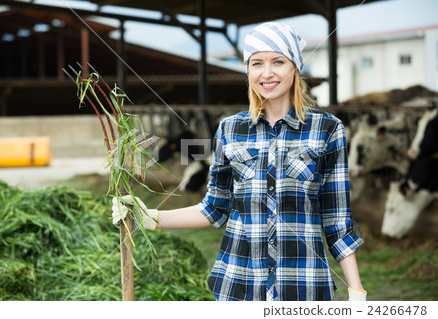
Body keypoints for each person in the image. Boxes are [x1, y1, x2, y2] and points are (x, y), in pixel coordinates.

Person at [112, 22, 366, 301]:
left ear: (294, 67)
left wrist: (355, 288)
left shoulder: (328, 129)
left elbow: (336, 220)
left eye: (278, 61)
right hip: (239, 286)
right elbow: (214, 209)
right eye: (257, 63)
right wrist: (150, 217)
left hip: (303, 285)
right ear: (248, 71)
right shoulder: (230, 130)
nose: (267, 73)